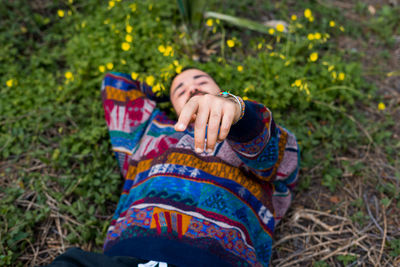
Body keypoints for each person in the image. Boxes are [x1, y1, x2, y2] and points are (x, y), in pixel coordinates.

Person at [47, 67, 299, 267]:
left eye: (201, 80)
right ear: (172, 104)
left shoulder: (249, 131)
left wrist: (238, 112)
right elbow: (115, 83)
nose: (192, 88)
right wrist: (159, 84)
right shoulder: (149, 133)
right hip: (128, 256)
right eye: (179, 89)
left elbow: (276, 164)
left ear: (220, 90)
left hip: (217, 259)